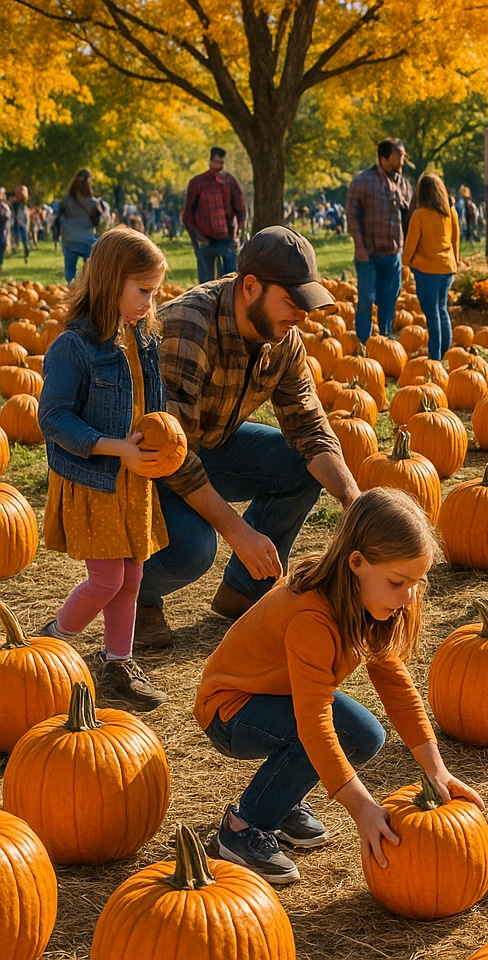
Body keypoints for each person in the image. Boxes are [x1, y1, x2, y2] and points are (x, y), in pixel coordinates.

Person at [195, 488, 484, 884]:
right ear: (357, 563)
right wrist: (363, 809)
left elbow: (397, 688)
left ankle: (281, 801)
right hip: (230, 711)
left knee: (364, 735)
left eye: (416, 582)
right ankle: (241, 829)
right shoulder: (311, 616)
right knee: (325, 733)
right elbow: (313, 721)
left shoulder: (370, 601)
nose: (409, 596)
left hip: (279, 699)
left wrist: (437, 770)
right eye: (399, 582)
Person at [136, 227, 361, 649]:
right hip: (147, 466)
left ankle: (244, 590)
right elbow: (171, 454)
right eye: (292, 303)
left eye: (306, 305)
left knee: (299, 464)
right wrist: (238, 533)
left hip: (210, 445)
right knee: (195, 549)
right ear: (251, 287)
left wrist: (354, 502)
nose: (301, 316)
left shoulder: (284, 339)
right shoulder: (188, 325)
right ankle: (138, 597)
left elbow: (309, 427)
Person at [35, 229, 172, 709]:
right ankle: (53, 642)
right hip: (97, 480)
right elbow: (52, 418)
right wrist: (116, 447)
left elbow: (149, 403)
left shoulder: (140, 338)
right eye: (144, 291)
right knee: (107, 579)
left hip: (135, 480)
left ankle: (117, 661)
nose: (150, 301)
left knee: (132, 578)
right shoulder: (75, 346)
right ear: (113, 281)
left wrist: (164, 440)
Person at [346, 139, 412, 343]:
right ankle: (363, 343)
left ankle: (384, 338)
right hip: (368, 254)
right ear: (385, 157)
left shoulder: (404, 184)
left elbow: (409, 218)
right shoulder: (363, 181)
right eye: (399, 155)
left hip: (392, 254)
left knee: (389, 299)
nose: (403, 159)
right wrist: (359, 246)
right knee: (366, 299)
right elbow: (352, 214)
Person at [403, 173, 460, 362]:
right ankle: (445, 350)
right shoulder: (451, 213)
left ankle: (434, 355)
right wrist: (455, 261)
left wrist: (405, 263)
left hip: (426, 269)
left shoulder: (419, 215)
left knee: (432, 312)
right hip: (447, 267)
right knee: (442, 309)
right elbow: (455, 240)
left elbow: (411, 244)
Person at [182, 147, 248, 284]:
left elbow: (240, 208)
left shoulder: (230, 182)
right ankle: (206, 305)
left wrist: (239, 230)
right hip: (204, 237)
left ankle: (227, 305)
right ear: (210, 161)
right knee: (206, 281)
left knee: (230, 279)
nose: (220, 166)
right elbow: (188, 212)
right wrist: (195, 235)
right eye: (217, 162)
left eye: (222, 163)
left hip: (227, 237)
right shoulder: (198, 183)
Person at [56, 169, 108, 282]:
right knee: (91, 272)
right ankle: (88, 291)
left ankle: (71, 291)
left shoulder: (67, 201)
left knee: (70, 274)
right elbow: (99, 222)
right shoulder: (94, 203)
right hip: (88, 241)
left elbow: (60, 218)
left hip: (70, 240)